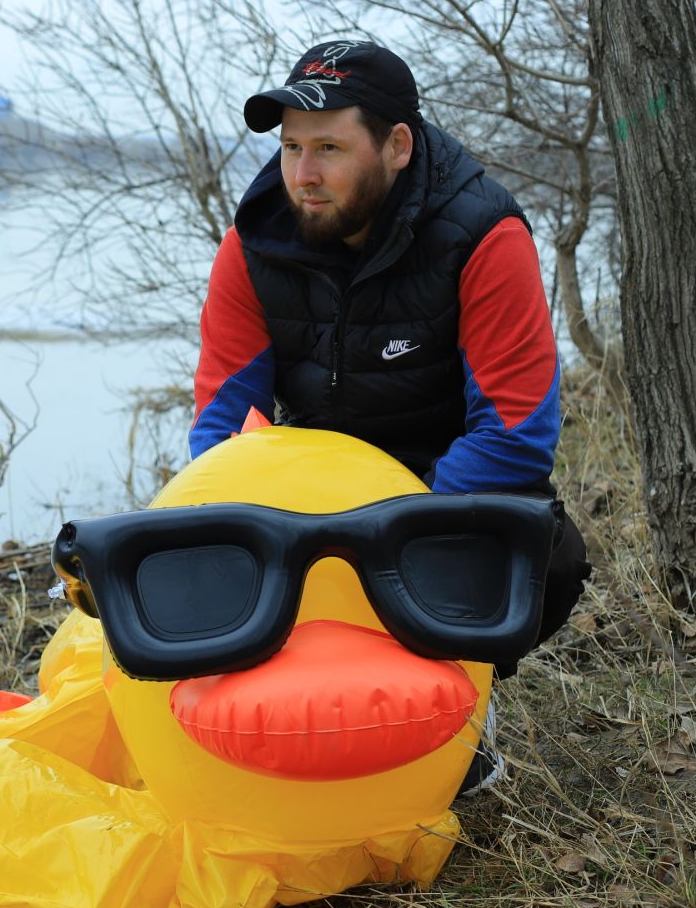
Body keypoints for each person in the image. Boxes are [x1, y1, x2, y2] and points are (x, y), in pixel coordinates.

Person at [190, 39, 590, 793]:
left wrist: (379, 536)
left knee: (548, 557)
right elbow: (220, 426)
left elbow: (517, 430)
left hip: (444, 486)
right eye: (292, 148)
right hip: (307, 487)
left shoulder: (484, 236)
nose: (303, 176)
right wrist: (241, 535)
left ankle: (462, 707)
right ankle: (274, 720)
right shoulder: (250, 245)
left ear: (397, 146)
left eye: (331, 149)